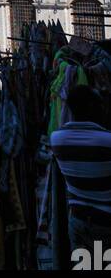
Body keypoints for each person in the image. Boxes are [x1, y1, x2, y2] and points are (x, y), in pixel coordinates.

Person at [50, 85, 111, 258]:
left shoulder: (57, 140)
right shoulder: (106, 141)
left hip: (78, 220)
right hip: (105, 222)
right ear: (93, 107)